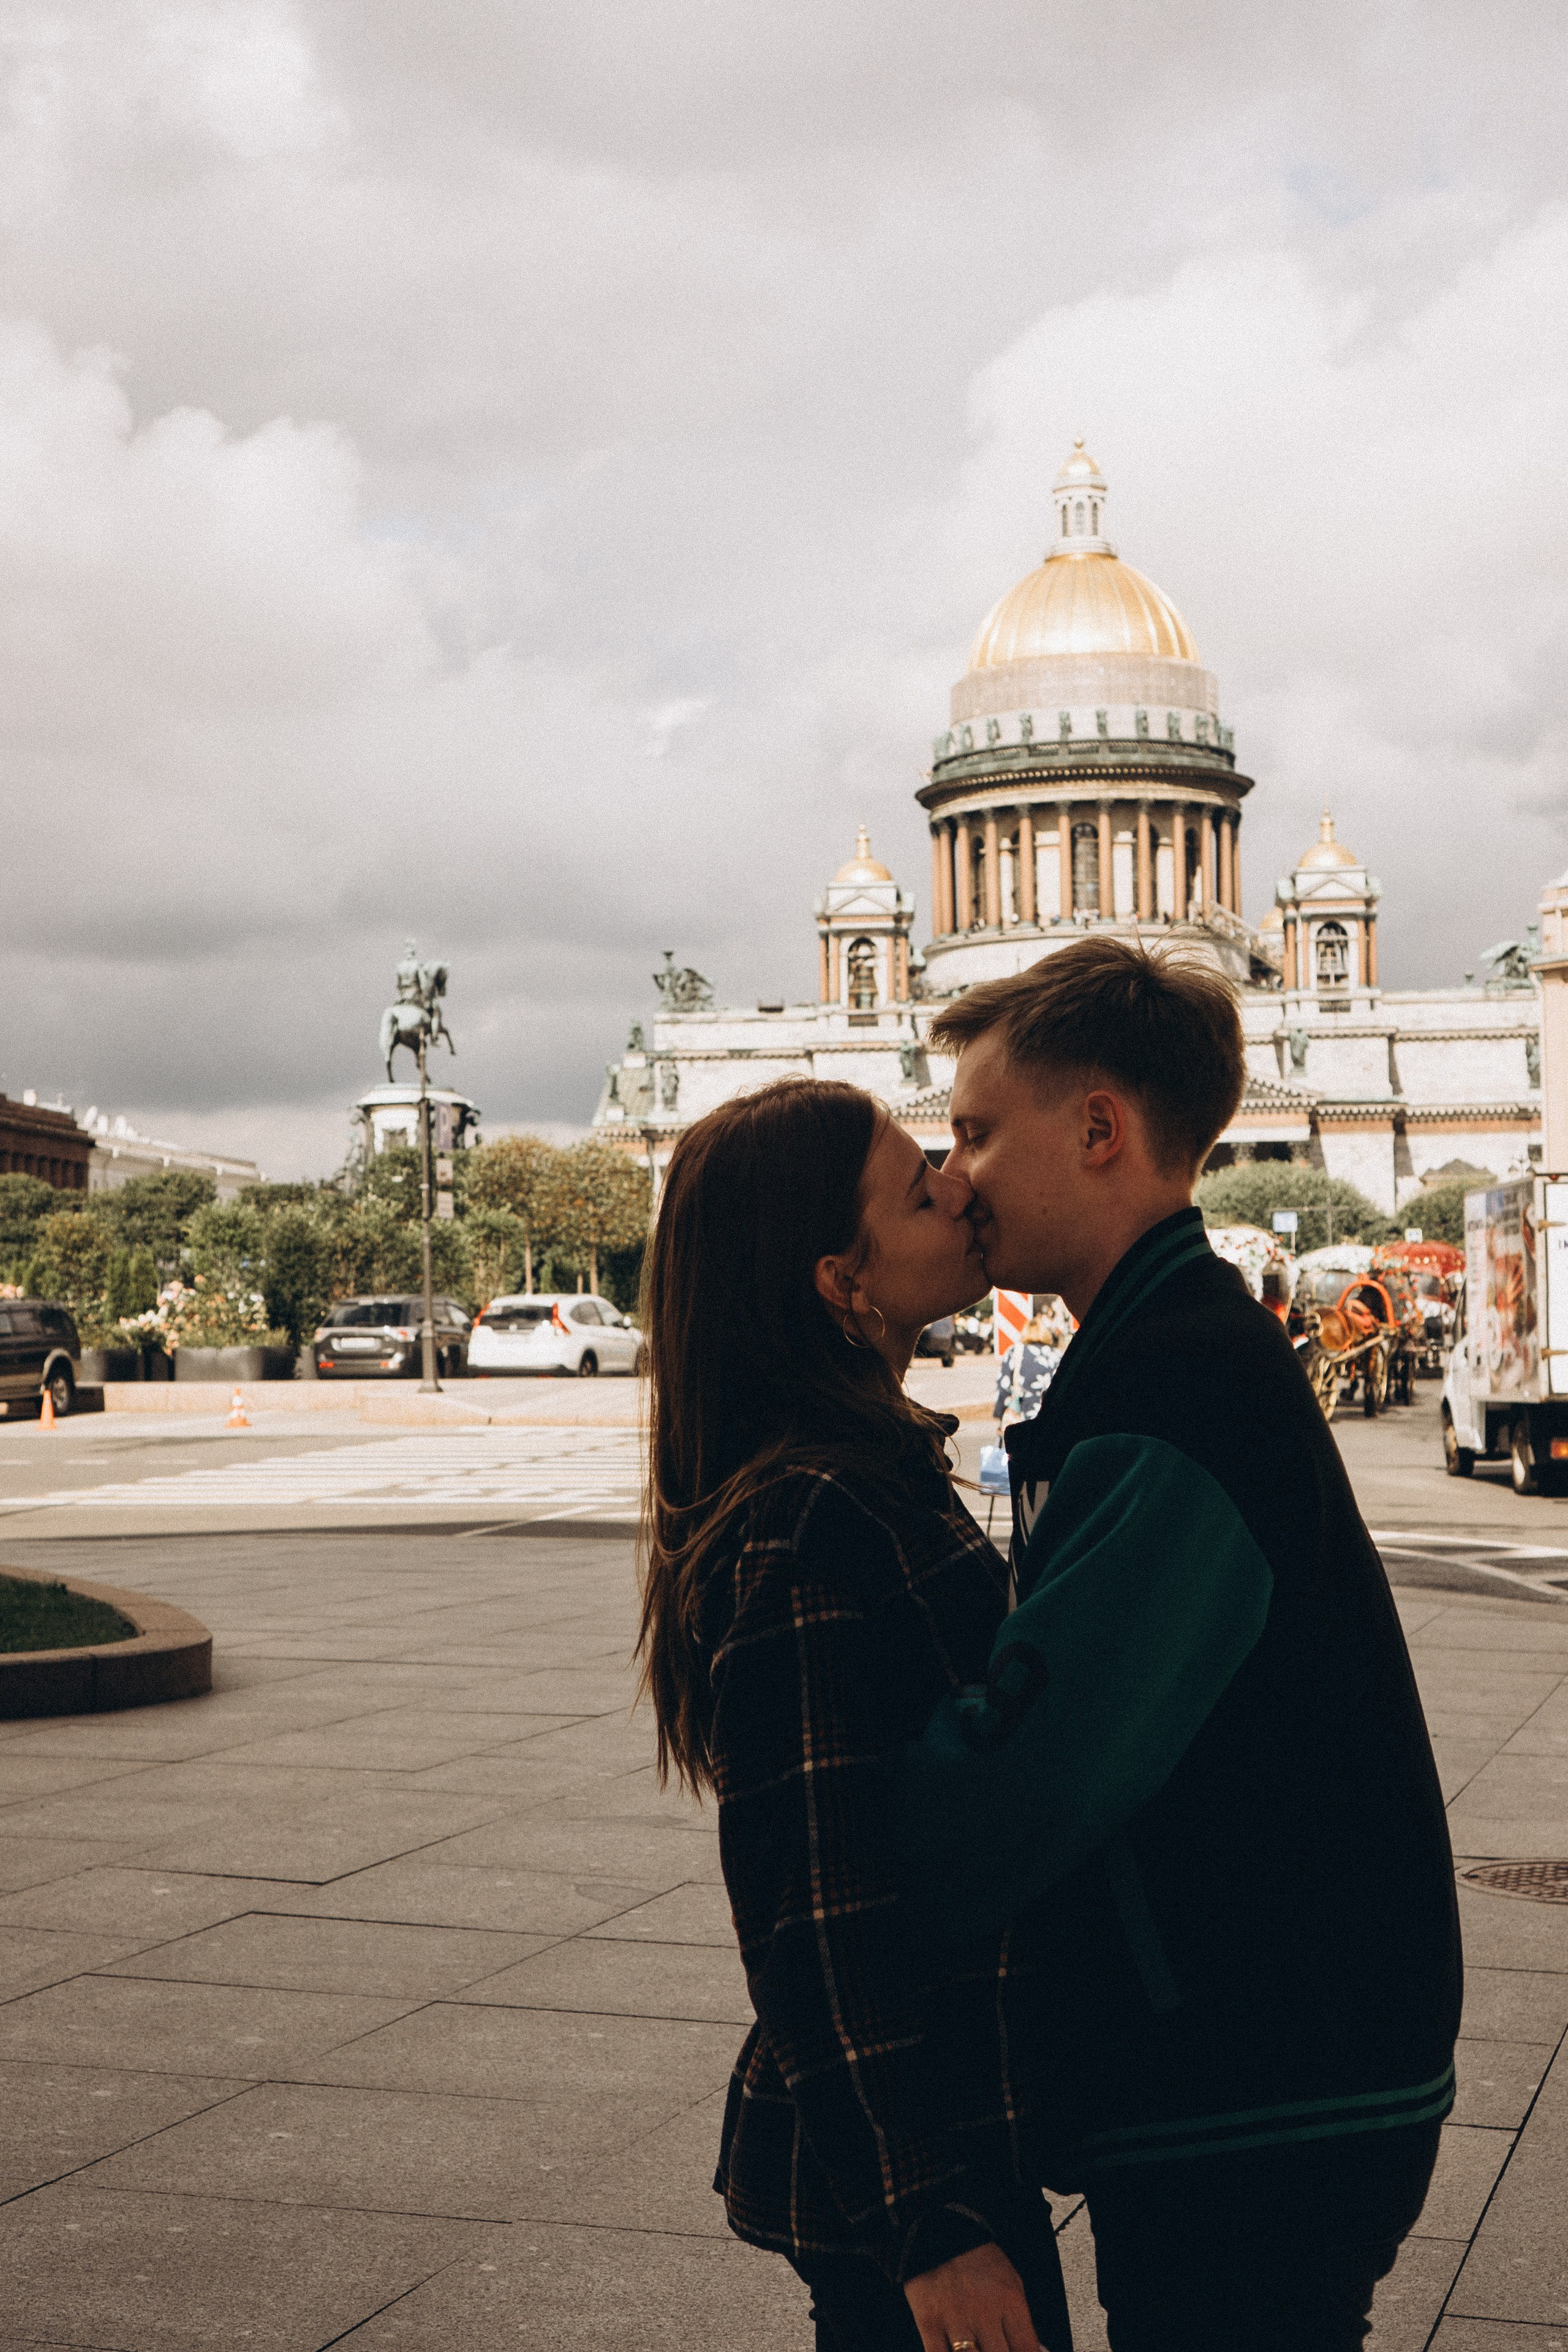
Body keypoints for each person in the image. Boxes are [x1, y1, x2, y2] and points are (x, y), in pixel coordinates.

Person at [911, 934, 1460, 2351]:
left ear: (1095, 1126)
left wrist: (847, 1824)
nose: (952, 1172)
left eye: (973, 1129)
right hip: (1282, 2052)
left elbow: (1021, 1781)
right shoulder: (1176, 1350)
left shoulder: (1167, 1390)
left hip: (1254, 2078)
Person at [635, 1079, 1073, 2352]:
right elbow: (807, 1903)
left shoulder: (856, 1469)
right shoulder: (812, 1514)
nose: (957, 1184)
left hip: (931, 2129)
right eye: (914, 1184)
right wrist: (925, 2220)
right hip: (908, 2160)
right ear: (841, 1283)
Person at [993, 1309, 1064, 1431]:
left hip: (1022, 1417)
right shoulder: (1057, 1355)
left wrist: (999, 1415)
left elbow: (1004, 1387)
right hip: (1051, 1419)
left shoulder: (1014, 1353)